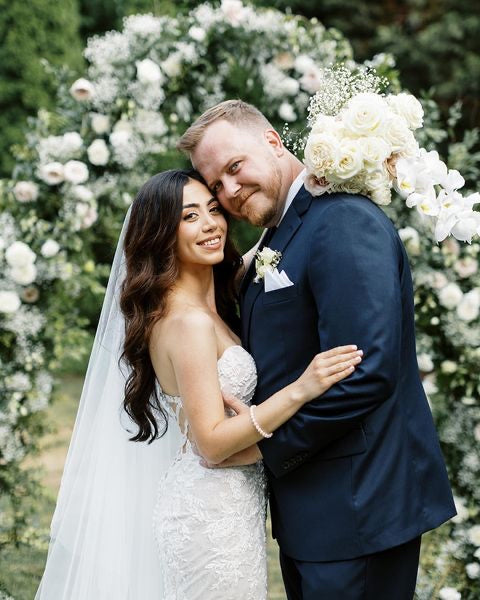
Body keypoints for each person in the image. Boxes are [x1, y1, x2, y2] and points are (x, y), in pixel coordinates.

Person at [35, 168, 361, 600]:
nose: (211, 224)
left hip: (233, 505)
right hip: (209, 513)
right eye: (189, 217)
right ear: (161, 234)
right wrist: (302, 388)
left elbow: (277, 239)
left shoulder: (217, 296)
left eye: (213, 209)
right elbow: (209, 441)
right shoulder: (186, 322)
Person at [177, 100, 457, 600]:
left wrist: (262, 447)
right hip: (315, 512)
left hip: (360, 504)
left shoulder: (343, 221)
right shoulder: (280, 234)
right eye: (216, 184)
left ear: (272, 141)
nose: (230, 191)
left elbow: (365, 372)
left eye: (234, 168)